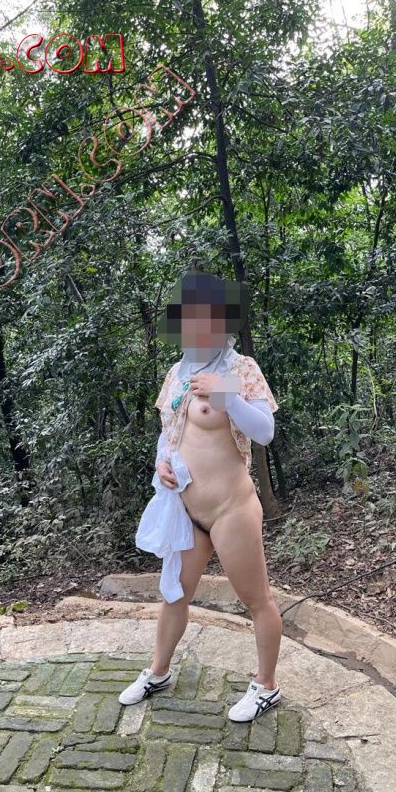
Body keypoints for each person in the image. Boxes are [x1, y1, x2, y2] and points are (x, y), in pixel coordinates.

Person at [121, 270, 283, 722]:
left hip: (232, 509)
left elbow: (265, 432)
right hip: (187, 509)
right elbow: (168, 432)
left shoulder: (241, 369)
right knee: (175, 595)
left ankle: (266, 686)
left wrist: (226, 394)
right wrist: (161, 463)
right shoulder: (177, 373)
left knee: (256, 600)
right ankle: (158, 672)